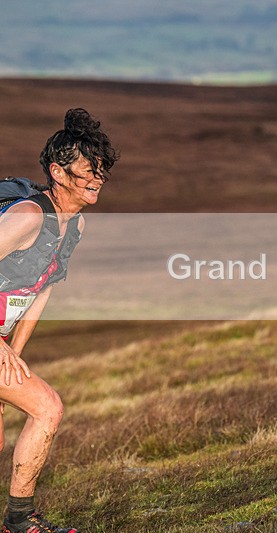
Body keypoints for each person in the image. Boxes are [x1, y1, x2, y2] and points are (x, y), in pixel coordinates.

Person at [0, 109, 118, 533]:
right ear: (58, 171)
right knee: (47, 407)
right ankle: (20, 521)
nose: (98, 178)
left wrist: (15, 351)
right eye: (88, 170)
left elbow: (42, 287)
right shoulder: (29, 216)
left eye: (101, 169)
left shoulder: (75, 226)